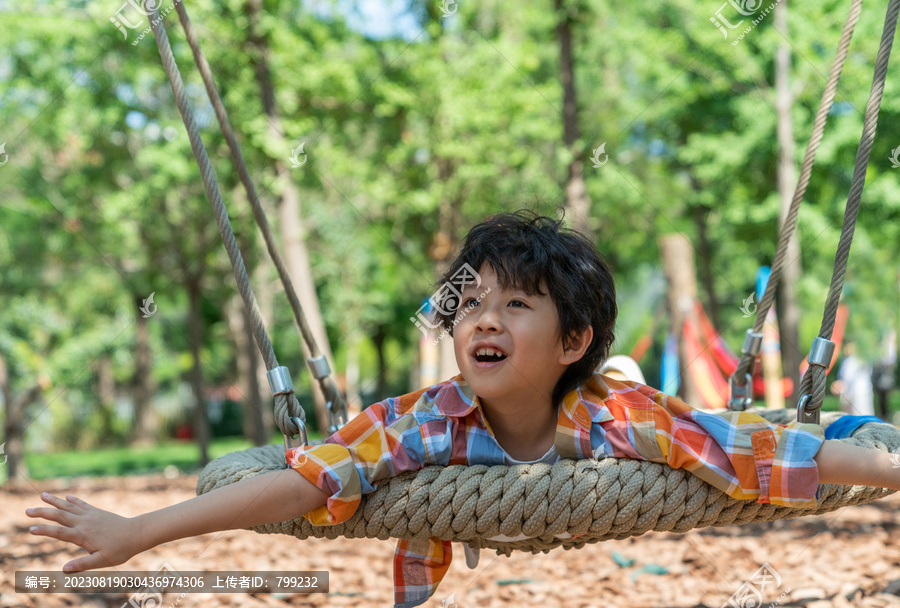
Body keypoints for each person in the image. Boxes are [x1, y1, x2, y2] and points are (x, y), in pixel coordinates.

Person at [26, 211, 900, 608]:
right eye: (470, 303)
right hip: (502, 443)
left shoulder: (624, 418)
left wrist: (885, 466)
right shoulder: (420, 420)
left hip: (598, 415)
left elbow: (774, 456)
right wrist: (139, 532)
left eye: (516, 305)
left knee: (771, 430)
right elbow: (302, 482)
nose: (482, 317)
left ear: (570, 342)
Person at [831, 341, 876, 417]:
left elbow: (849, 377)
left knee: (863, 414)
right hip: (850, 392)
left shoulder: (859, 359)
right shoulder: (846, 361)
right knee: (851, 415)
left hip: (860, 392)